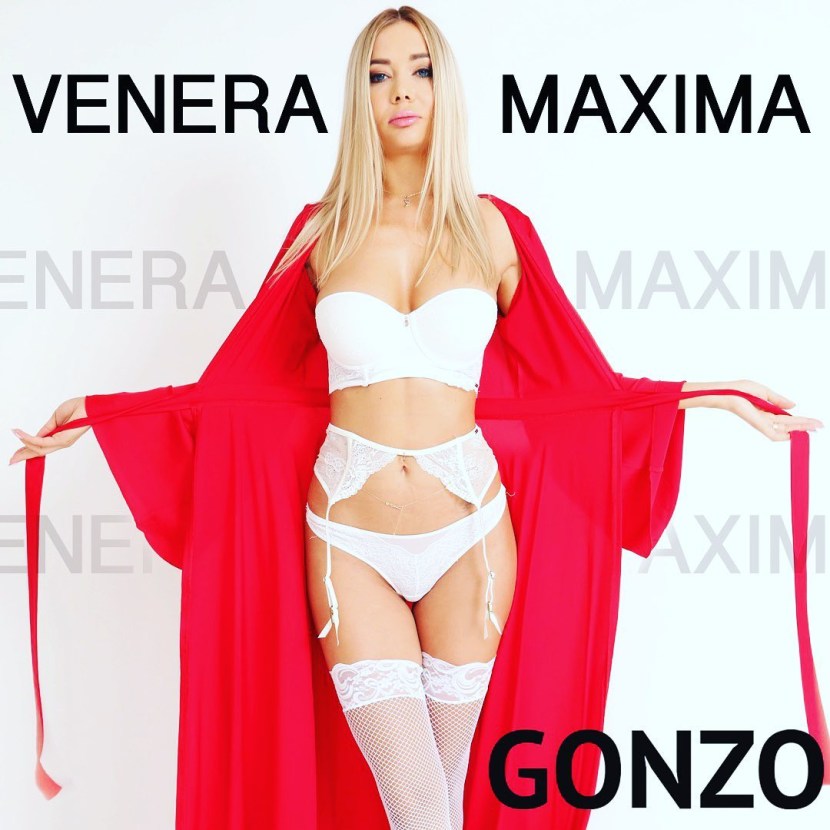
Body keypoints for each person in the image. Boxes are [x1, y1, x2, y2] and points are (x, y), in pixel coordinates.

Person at [10, 7, 826, 830]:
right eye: (380, 74)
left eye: (420, 70)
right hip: (348, 537)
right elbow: (239, 388)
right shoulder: (322, 232)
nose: (402, 90)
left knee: (443, 802)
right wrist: (110, 414)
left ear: (445, 88)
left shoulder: (495, 230)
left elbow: (578, 385)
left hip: (469, 536)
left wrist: (707, 396)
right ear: (359, 97)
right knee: (418, 805)